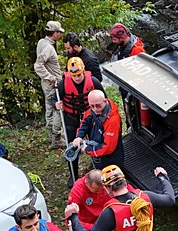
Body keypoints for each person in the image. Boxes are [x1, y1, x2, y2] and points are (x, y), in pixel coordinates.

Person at [55, 57, 104, 187]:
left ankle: (99, 171)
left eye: (79, 74)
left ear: (83, 71)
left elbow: (104, 98)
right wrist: (56, 104)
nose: (77, 78)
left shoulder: (93, 82)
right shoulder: (62, 84)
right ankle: (73, 174)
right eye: (74, 75)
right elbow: (54, 99)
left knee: (96, 144)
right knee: (72, 146)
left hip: (90, 118)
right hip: (72, 119)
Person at [35, 20, 66, 149]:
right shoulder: (48, 47)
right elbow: (38, 65)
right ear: (55, 33)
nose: (60, 35)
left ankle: (51, 136)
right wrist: (51, 77)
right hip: (52, 83)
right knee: (57, 109)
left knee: (49, 107)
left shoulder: (41, 42)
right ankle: (57, 138)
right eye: (59, 32)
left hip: (46, 83)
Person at [73, 90, 124, 170]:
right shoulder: (92, 111)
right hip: (97, 151)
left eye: (98, 106)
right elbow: (84, 123)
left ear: (104, 101)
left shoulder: (113, 121)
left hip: (111, 159)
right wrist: (79, 136)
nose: (95, 109)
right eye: (92, 106)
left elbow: (108, 148)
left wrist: (87, 149)